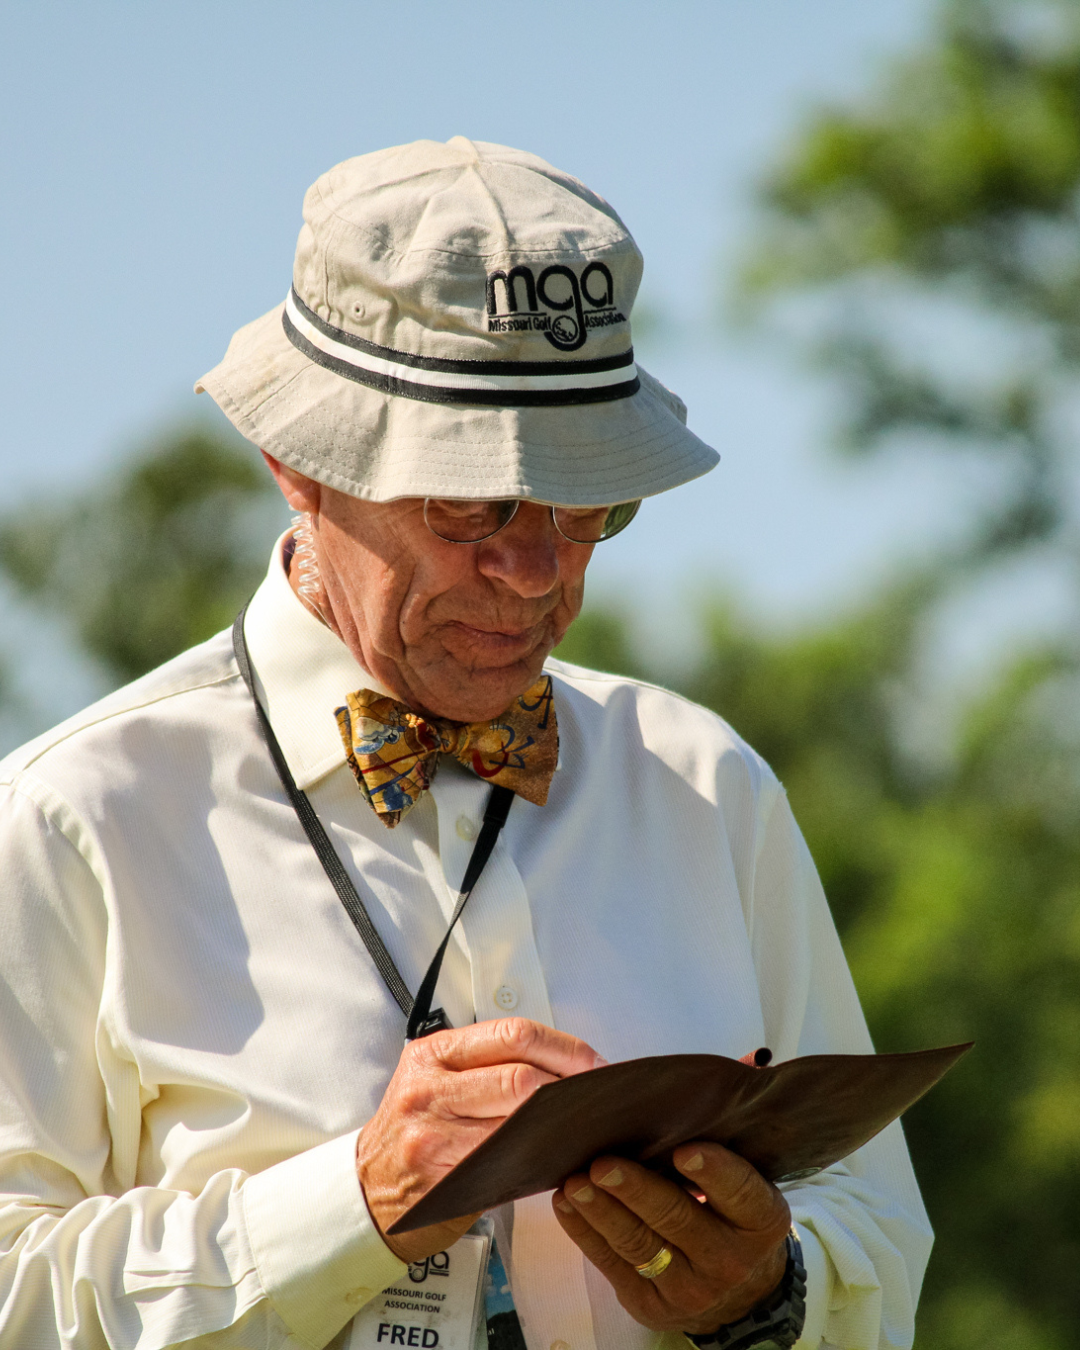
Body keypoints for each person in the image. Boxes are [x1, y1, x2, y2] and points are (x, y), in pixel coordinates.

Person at [0, 138, 931, 1350]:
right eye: (471, 502)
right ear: (298, 464)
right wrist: (354, 1205)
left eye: (589, 506)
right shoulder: (73, 820)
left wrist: (770, 1296)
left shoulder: (705, 786)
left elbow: (883, 1235)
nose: (537, 569)